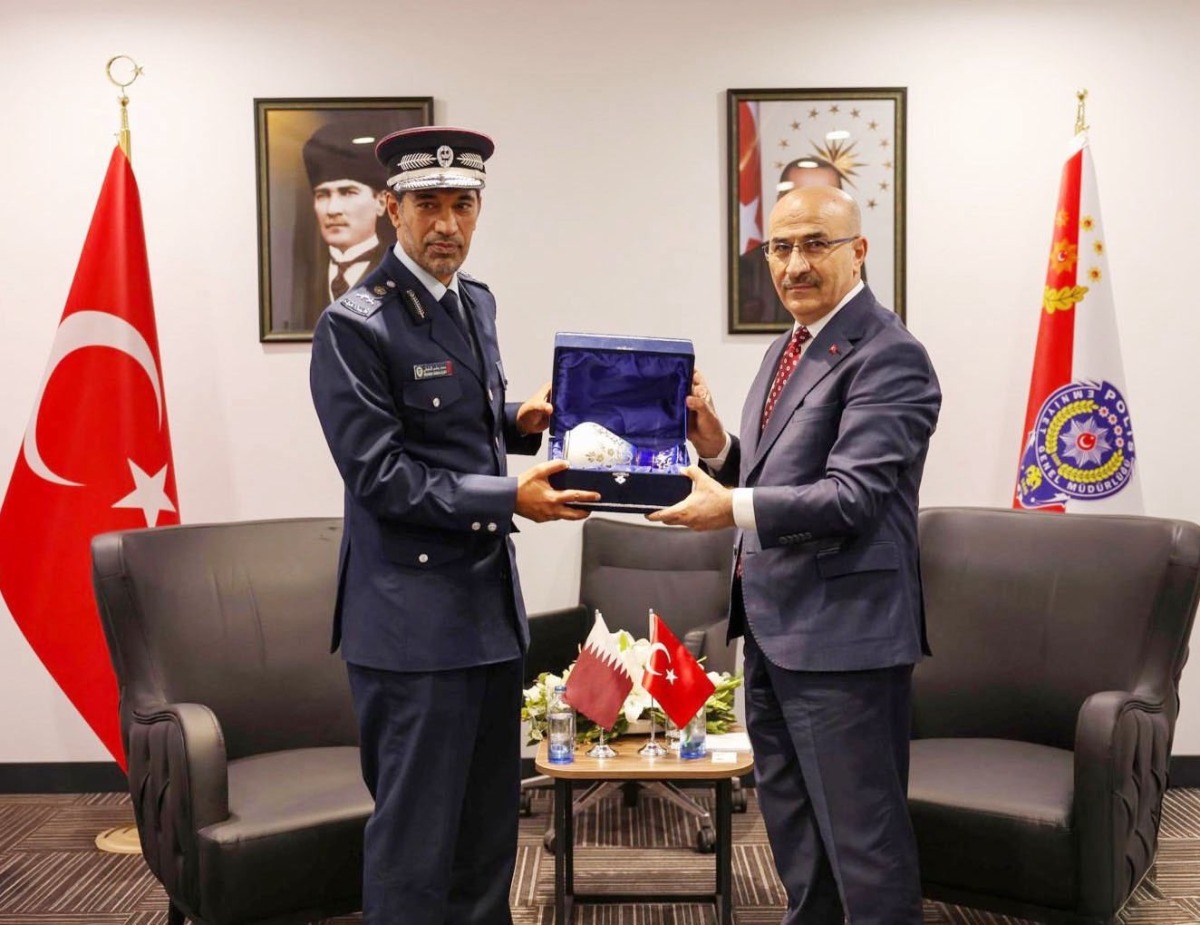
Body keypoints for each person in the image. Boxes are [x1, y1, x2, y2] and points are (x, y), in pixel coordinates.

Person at [309, 125, 600, 925]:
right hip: (409, 622)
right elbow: (383, 475)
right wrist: (511, 497)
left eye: (462, 205)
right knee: (414, 845)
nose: (447, 224)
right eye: (428, 205)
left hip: (484, 616)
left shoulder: (473, 300)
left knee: (485, 836)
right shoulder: (355, 324)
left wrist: (520, 419)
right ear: (389, 208)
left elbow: (454, 422)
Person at [651, 185, 941, 924]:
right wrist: (718, 447)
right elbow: (778, 476)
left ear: (859, 251)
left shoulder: (890, 355)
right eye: (780, 247)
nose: (794, 264)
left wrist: (730, 507)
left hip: (845, 640)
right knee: (799, 847)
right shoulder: (788, 347)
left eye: (815, 243)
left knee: (865, 851)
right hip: (777, 634)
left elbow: (852, 497)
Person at [738, 156, 864, 326]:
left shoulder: (892, 351)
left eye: (815, 245)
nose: (794, 268)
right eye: (782, 247)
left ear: (857, 254)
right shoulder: (785, 345)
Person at [299, 119, 392, 328]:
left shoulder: (399, 275)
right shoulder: (302, 280)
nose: (332, 209)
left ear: (381, 202)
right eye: (322, 195)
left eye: (348, 192)